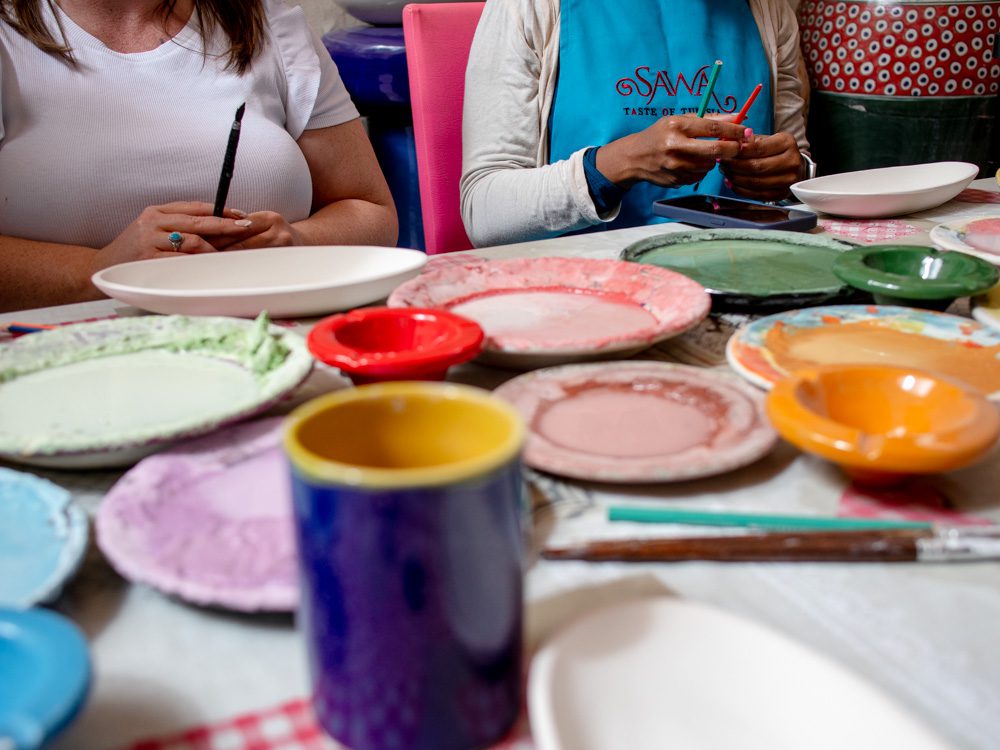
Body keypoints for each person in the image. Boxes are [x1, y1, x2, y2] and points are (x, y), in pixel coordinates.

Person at [0, 0, 398, 312]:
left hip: (272, 340)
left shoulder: (268, 24)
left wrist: (297, 242)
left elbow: (371, 211)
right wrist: (97, 272)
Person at [461, 0, 813, 248]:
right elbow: (484, 213)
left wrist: (793, 175)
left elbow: (799, 175)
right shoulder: (529, 7)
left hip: (742, 266)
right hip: (585, 285)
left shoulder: (769, 10)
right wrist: (617, 165)